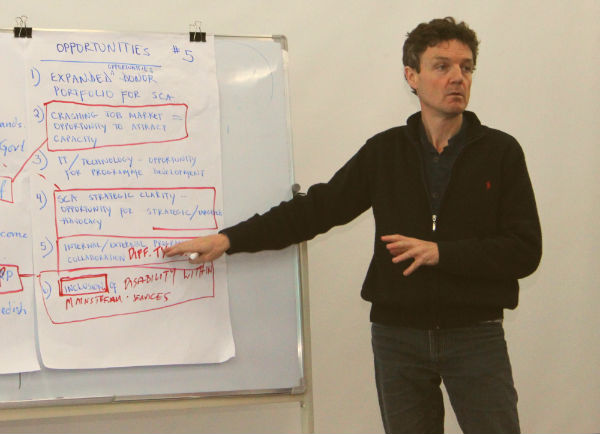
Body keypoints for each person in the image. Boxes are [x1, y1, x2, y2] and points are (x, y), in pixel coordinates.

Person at [165, 17, 542, 434]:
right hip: (398, 337)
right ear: (412, 76)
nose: (457, 78)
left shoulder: (500, 152)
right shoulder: (385, 152)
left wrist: (442, 253)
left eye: (466, 67)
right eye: (442, 66)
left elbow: (525, 250)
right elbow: (317, 210)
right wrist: (229, 239)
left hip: (475, 335)